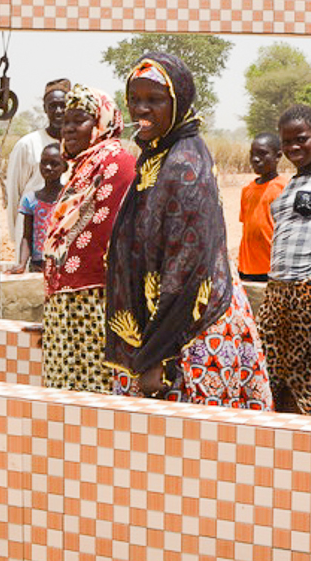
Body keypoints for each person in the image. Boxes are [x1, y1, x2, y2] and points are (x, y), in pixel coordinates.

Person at [104, 53, 270, 408]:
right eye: (134, 99)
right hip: (167, 322)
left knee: (192, 436)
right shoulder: (159, 152)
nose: (141, 110)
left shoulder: (184, 163)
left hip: (189, 332)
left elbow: (186, 267)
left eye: (154, 100)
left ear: (178, 101)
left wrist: (155, 356)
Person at [38, 86, 135, 391]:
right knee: (66, 386)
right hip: (69, 298)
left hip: (94, 300)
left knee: (93, 386)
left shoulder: (117, 162)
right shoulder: (84, 165)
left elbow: (113, 234)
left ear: (101, 123)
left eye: (79, 120)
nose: (67, 128)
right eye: (66, 121)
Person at [257, 105, 311, 415]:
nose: (293, 148)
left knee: (309, 382)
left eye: (301, 139)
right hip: (276, 292)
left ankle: (310, 439)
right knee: (272, 378)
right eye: (287, 142)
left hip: (310, 292)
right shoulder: (289, 184)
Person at [4, 78, 71, 268]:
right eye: (53, 106)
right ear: (45, 108)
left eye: (63, 106)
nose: (58, 111)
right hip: (31, 236)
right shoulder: (27, 144)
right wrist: (16, 234)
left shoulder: (79, 145)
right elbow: (14, 193)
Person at [7, 142, 65, 275]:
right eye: (44, 163)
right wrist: (21, 264)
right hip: (38, 265)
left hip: (62, 264)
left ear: (64, 167)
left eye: (54, 164)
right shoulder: (31, 199)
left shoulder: (69, 198)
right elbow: (27, 237)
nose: (48, 167)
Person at [237, 132, 284, 282]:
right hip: (247, 267)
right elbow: (247, 227)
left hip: (272, 267)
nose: (255, 159)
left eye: (262, 154)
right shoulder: (247, 190)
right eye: (252, 154)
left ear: (278, 156)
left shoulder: (284, 188)